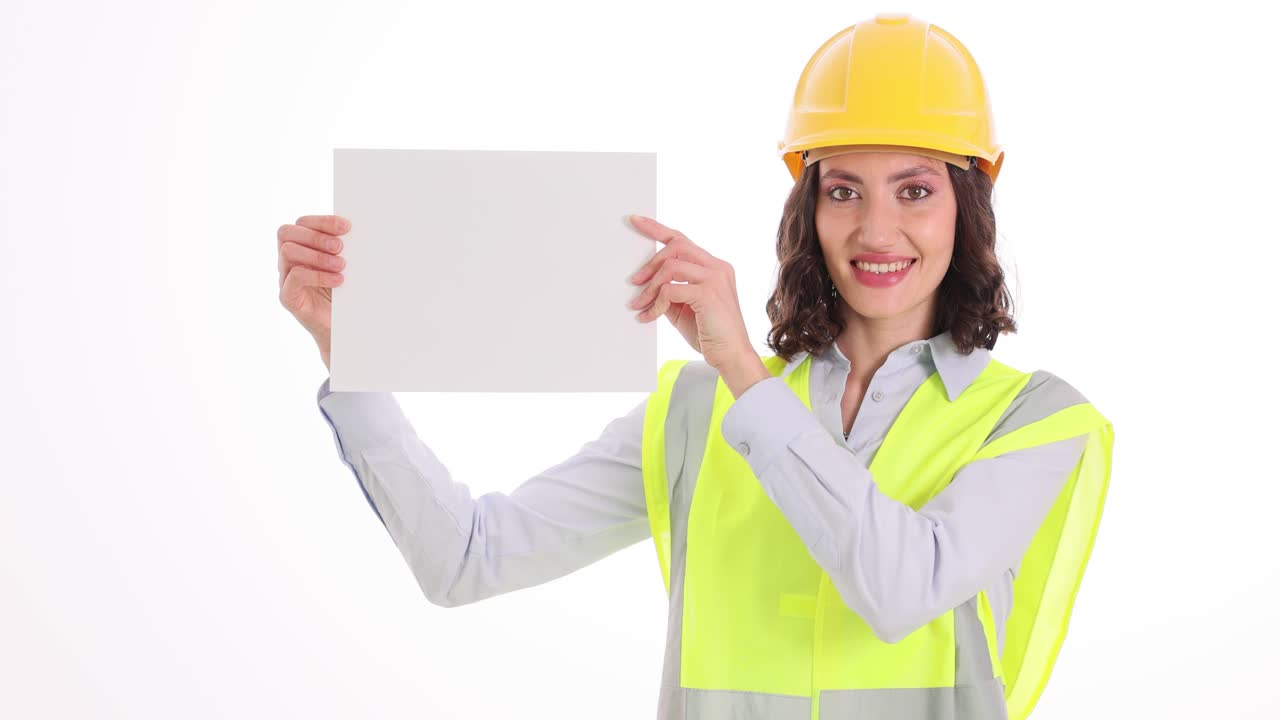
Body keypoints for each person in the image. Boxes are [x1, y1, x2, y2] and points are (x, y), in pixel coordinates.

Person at [277, 13, 1113, 720]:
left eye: (916, 189)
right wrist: (350, 353)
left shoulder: (1034, 421)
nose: (877, 230)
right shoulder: (696, 410)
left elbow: (901, 588)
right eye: (844, 190)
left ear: (968, 208)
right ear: (808, 211)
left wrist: (747, 375)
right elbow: (466, 559)